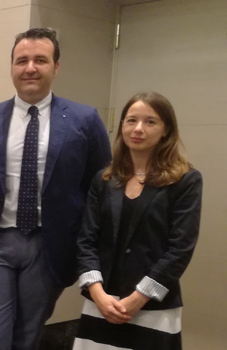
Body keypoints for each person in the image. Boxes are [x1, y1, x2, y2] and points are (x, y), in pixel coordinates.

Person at [0, 28, 112, 350]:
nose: (30, 68)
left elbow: (100, 189)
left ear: (56, 67)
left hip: (50, 248)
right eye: (22, 61)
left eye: (40, 60)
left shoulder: (85, 120)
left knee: (27, 338)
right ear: (12, 67)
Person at [73, 92, 202, 350]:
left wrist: (137, 298)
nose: (138, 129)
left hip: (152, 307)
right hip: (102, 303)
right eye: (131, 120)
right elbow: (86, 241)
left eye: (150, 122)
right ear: (122, 126)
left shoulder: (186, 180)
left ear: (166, 129)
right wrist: (98, 294)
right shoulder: (105, 179)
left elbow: (180, 250)